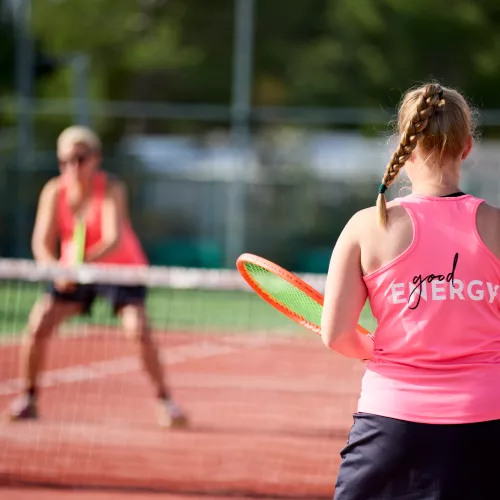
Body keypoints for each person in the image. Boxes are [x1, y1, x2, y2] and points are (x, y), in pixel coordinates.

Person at [321, 83, 500, 499]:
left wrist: (370, 347)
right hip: (486, 424)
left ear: (405, 147)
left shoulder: (367, 226)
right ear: (467, 147)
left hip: (390, 428)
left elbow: (337, 335)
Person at [5, 125, 188, 429]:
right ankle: (29, 398)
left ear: (96, 158)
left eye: (80, 158)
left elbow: (113, 238)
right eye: (65, 160)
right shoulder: (54, 191)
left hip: (119, 269)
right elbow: (41, 242)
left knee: (138, 331)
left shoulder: (112, 187)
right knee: (38, 325)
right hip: (72, 270)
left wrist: (79, 265)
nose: (73, 167)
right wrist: (58, 269)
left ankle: (165, 400)